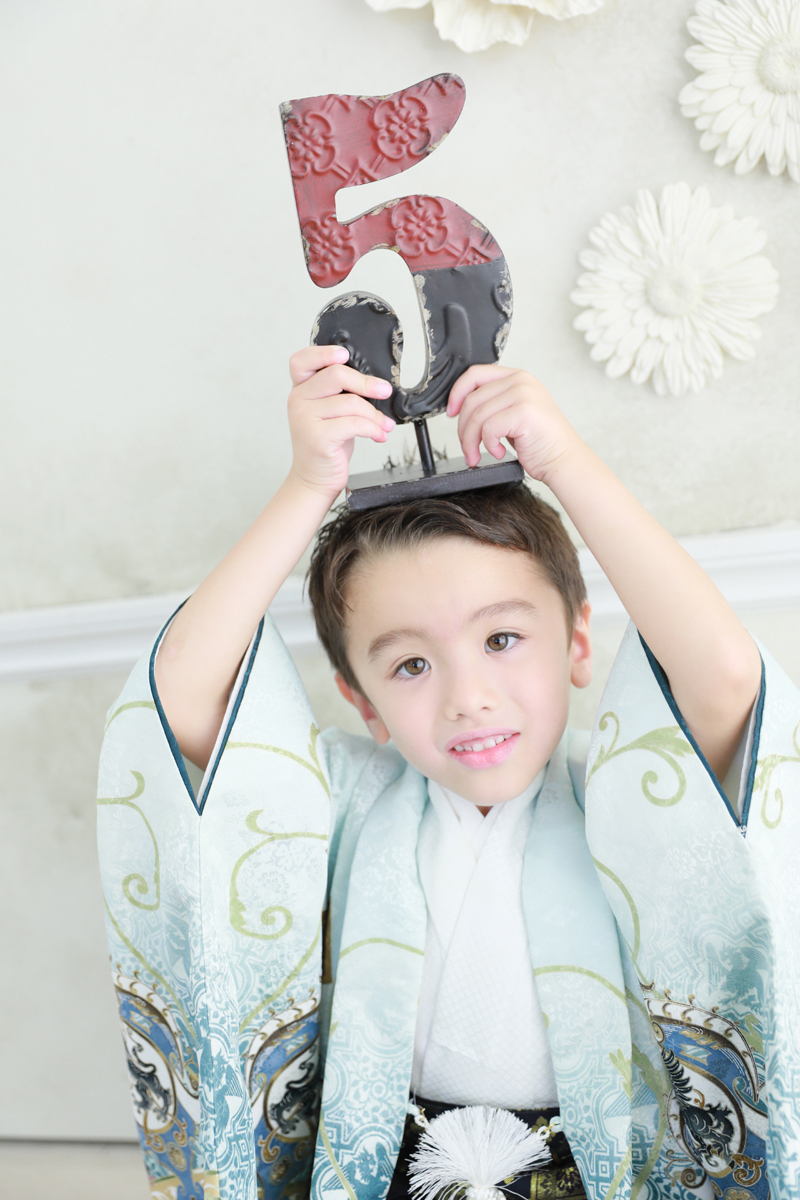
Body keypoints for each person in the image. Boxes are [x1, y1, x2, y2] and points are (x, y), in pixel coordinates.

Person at [98, 345, 799, 1200]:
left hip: (598, 1167)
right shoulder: (346, 802)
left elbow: (725, 681)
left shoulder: (623, 797)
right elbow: (180, 703)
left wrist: (566, 464)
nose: (468, 697)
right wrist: (307, 488)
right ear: (362, 700)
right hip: (388, 1166)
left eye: (502, 639)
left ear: (577, 642)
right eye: (410, 666)